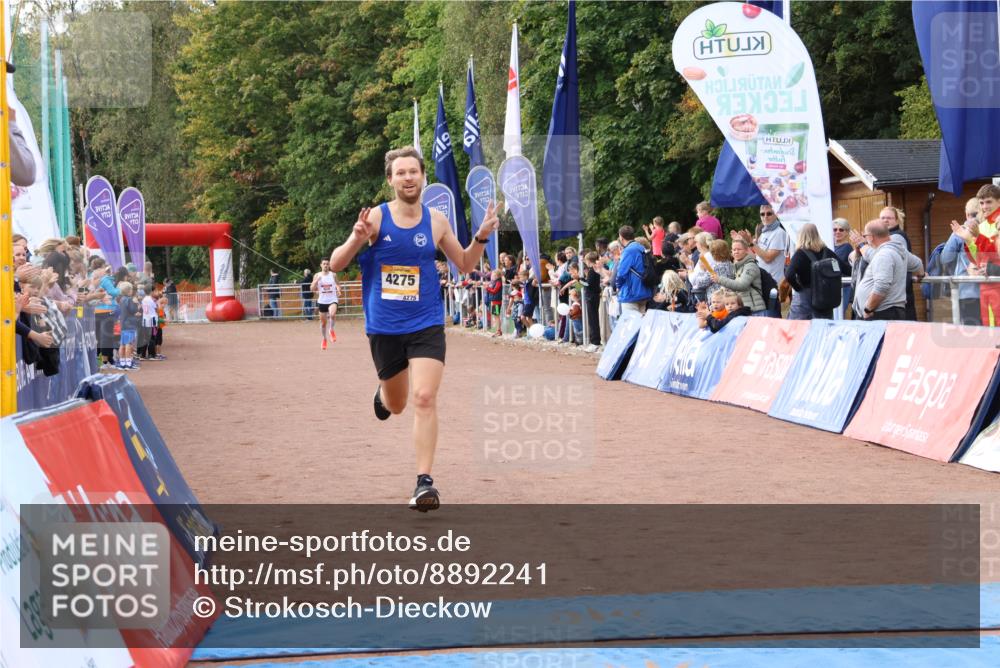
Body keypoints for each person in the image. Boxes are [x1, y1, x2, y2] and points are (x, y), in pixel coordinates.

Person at [328, 146, 500, 512]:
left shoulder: (436, 220)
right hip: (385, 326)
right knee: (397, 404)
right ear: (390, 180)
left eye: (413, 172)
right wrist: (357, 237)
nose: (408, 178)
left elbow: (465, 263)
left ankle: (424, 482)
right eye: (401, 173)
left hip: (426, 322)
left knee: (424, 397)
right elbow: (337, 263)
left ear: (422, 177)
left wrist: (482, 236)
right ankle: (383, 394)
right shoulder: (376, 218)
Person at [852, 221, 925, 321]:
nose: (865, 239)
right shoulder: (898, 250)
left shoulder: (884, 254)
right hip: (888, 312)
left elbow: (881, 287)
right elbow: (918, 264)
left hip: (881, 313)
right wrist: (921, 275)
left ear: (871, 237)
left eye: (865, 236)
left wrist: (868, 309)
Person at [950, 184, 1000, 326]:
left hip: (996, 284)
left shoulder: (998, 223)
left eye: (989, 202)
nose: (984, 207)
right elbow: (978, 258)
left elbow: (996, 254)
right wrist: (968, 240)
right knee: (988, 331)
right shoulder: (982, 226)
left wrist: (978, 237)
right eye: (982, 203)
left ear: (999, 201)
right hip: (985, 286)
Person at [785, 223, 839, 320]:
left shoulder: (800, 254)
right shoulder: (827, 252)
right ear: (817, 235)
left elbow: (789, 274)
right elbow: (844, 268)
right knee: (823, 328)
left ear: (801, 236)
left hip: (804, 301)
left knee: (799, 328)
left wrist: (798, 288)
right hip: (824, 300)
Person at [941, 199, 982, 326]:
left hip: (966, 290)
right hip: (990, 289)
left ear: (966, 214)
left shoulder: (959, 232)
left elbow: (945, 258)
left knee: (971, 330)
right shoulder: (989, 229)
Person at [749, 203, 790, 317]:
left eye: (769, 214)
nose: (765, 217)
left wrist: (751, 244)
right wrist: (743, 245)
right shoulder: (764, 232)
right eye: (762, 214)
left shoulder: (779, 233)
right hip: (761, 281)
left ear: (776, 215)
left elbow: (768, 257)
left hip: (773, 282)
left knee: (773, 315)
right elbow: (758, 257)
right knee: (764, 316)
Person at [879, 206, 917, 320]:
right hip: (896, 292)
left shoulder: (896, 237)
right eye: (883, 218)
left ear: (896, 220)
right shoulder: (886, 236)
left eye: (889, 218)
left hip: (897, 293)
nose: (885, 220)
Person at [711, 238, 765, 315]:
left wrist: (720, 279)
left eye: (739, 249)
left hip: (754, 309)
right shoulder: (738, 266)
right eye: (734, 250)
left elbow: (741, 285)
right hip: (745, 308)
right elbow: (737, 287)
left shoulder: (750, 266)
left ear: (746, 250)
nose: (736, 252)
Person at [614, 225, 653, 314]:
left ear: (621, 237)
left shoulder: (628, 250)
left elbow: (621, 273)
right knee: (641, 320)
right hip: (644, 291)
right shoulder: (641, 248)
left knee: (631, 322)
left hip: (631, 293)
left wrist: (618, 286)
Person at [311, 259, 340, 348]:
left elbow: (338, 284)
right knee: (323, 323)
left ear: (329, 265)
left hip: (332, 299)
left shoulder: (333, 275)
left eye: (327, 264)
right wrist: (316, 281)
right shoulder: (317, 275)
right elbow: (312, 288)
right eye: (324, 264)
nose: (326, 265)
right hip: (322, 301)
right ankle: (324, 339)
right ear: (321, 265)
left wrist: (339, 290)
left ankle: (331, 330)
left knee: (332, 314)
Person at [832, 219, 854, 314]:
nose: (837, 232)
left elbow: (834, 265)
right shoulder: (830, 246)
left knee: (838, 315)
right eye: (835, 229)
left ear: (847, 232)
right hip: (833, 286)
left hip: (843, 287)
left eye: (841, 230)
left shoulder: (847, 247)